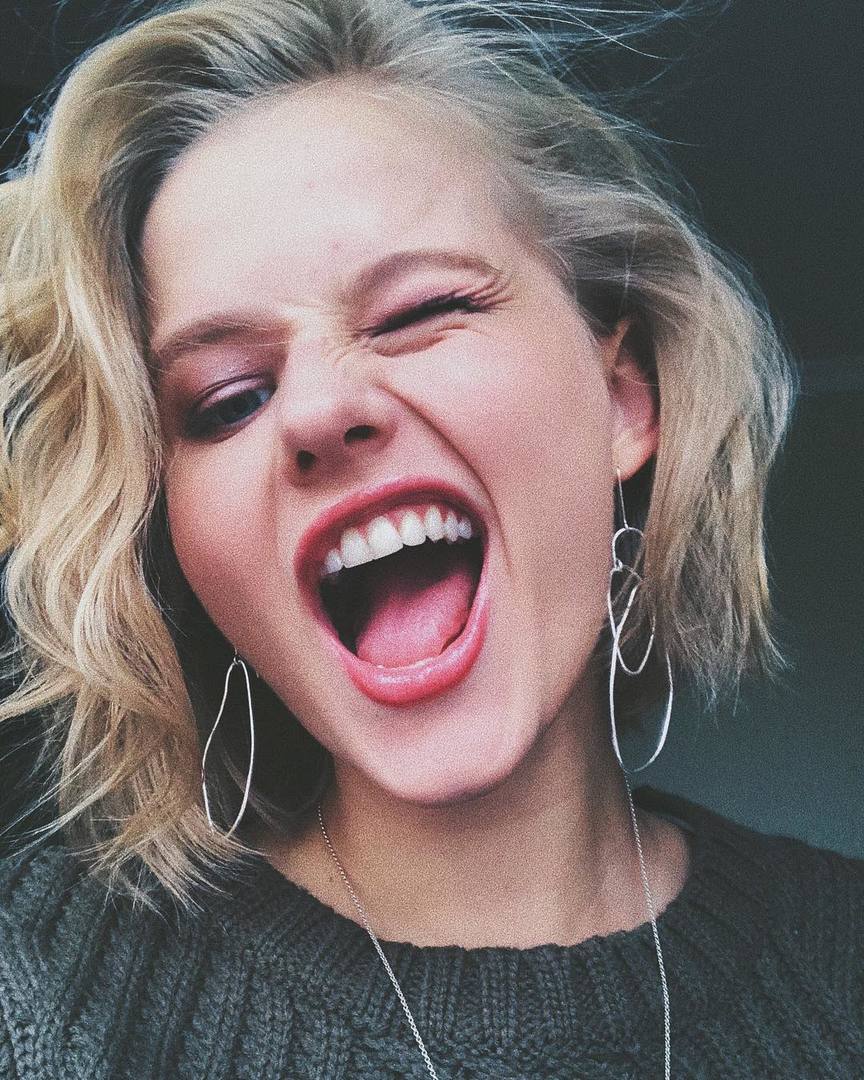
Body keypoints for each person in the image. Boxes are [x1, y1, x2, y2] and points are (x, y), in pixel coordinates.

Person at [0, 1, 860, 1076]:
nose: (319, 411)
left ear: (623, 397)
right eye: (225, 399)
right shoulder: (39, 990)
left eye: (416, 312)